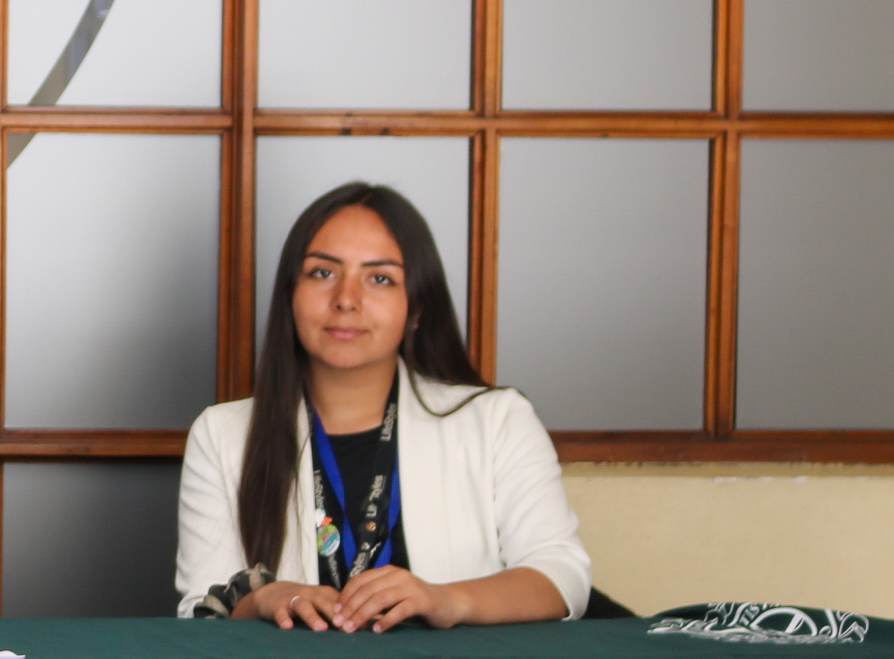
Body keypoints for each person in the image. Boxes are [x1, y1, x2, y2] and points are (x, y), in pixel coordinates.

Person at [176, 182, 588, 630]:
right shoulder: (222, 433)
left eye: (380, 279)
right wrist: (262, 599)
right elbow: (200, 610)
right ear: (289, 294)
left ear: (417, 307)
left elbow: (561, 576)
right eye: (322, 273)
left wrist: (448, 600)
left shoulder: (497, 420)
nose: (346, 299)